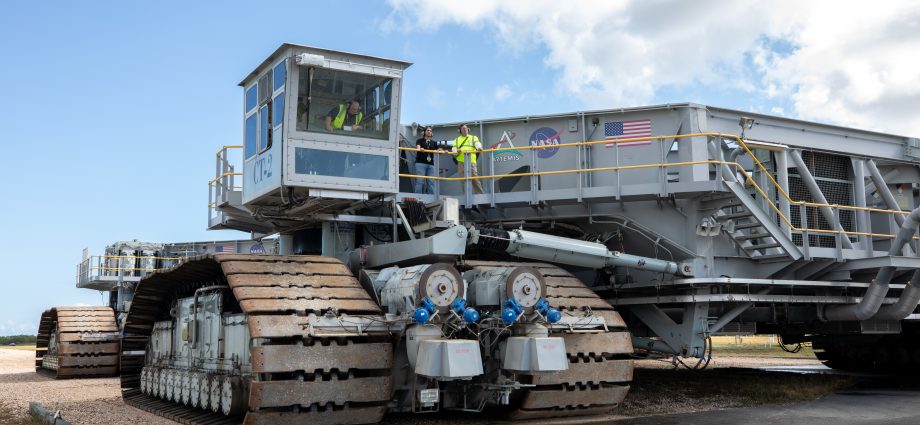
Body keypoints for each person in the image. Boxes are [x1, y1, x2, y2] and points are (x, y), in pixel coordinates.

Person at [452, 123, 485, 194]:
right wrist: (456, 151)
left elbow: (477, 143)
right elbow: (454, 149)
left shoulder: (473, 137)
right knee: (463, 181)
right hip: (461, 162)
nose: (465, 129)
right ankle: (466, 197)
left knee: (475, 179)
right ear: (460, 130)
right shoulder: (456, 140)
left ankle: (480, 197)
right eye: (463, 128)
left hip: (471, 161)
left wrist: (479, 147)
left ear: (468, 129)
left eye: (466, 128)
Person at [415, 126, 438, 194]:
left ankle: (431, 196)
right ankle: (418, 196)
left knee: (431, 182)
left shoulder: (434, 142)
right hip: (420, 163)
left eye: (430, 131)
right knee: (420, 181)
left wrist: (441, 150)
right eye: (428, 130)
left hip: (431, 164)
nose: (429, 132)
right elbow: (418, 147)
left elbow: (437, 150)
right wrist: (420, 148)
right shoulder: (419, 140)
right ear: (424, 132)